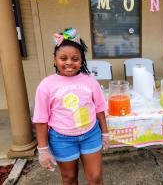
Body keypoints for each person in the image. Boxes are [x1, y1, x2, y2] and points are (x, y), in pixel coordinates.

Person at [33, 28, 109, 185]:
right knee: (69, 178)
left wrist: (105, 133)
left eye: (75, 59)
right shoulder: (46, 85)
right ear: (55, 60)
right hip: (61, 139)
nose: (69, 62)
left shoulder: (90, 81)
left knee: (95, 178)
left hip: (90, 134)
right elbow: (41, 119)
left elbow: (100, 108)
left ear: (81, 61)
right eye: (63, 58)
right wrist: (43, 149)